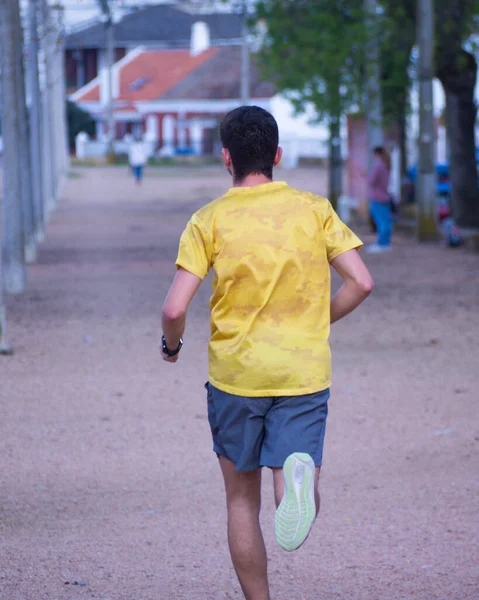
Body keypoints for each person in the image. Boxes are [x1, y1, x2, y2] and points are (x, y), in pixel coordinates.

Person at [161, 106, 373, 600]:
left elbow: (174, 308)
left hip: (236, 376)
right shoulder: (314, 209)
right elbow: (361, 281)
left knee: (239, 501)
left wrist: (172, 346)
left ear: (226, 158)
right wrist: (314, 321)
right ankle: (294, 482)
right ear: (277, 155)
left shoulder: (208, 219)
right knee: (294, 473)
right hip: (302, 371)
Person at [366, 146, 392, 253]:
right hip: (385, 197)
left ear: (377, 154)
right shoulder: (386, 165)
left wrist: (365, 177)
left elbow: (371, 181)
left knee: (380, 221)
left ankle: (381, 243)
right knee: (386, 221)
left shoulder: (378, 166)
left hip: (377, 197)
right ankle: (385, 242)